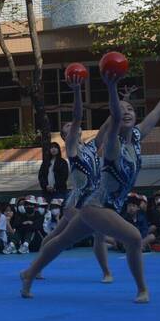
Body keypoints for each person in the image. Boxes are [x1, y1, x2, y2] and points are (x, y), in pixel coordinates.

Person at [22, 64, 160, 303]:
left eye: (131, 109)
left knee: (62, 240)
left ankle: (30, 273)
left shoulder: (131, 137)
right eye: (122, 110)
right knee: (134, 238)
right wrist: (108, 89)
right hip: (94, 204)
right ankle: (142, 289)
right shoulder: (110, 144)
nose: (127, 112)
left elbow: (159, 109)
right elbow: (100, 119)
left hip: (103, 204)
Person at [32, 74, 111, 281]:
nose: (73, 128)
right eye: (68, 129)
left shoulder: (92, 146)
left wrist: (117, 102)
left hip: (93, 198)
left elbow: (106, 127)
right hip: (76, 200)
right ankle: (37, 267)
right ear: (66, 137)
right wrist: (77, 90)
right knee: (61, 235)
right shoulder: (72, 147)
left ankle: (106, 272)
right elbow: (77, 117)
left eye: (73, 127)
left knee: (96, 235)